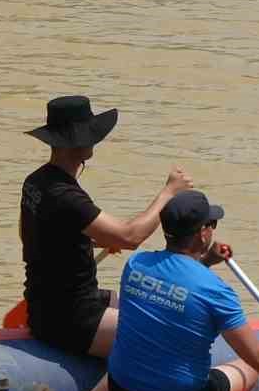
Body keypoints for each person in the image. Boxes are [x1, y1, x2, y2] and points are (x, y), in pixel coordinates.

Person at [76, 191, 259, 391]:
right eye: (211, 224)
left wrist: (205, 261)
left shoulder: (135, 265)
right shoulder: (215, 290)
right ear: (203, 233)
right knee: (252, 370)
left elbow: (173, 289)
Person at [19, 95, 192, 358]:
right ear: (77, 141)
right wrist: (169, 193)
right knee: (168, 339)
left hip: (46, 305)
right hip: (72, 318)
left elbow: (30, 232)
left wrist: (88, 241)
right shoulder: (67, 196)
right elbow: (130, 236)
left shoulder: (35, 182)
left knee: (146, 306)